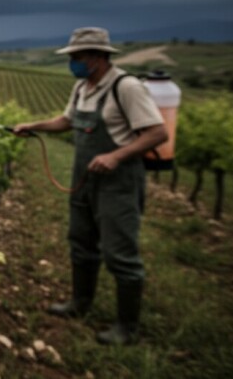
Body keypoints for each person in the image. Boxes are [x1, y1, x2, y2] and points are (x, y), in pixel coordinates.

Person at [13, 27, 168, 345]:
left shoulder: (126, 87)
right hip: (84, 179)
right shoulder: (82, 87)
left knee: (119, 251)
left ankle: (127, 327)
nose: (72, 62)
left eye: (77, 57)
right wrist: (34, 126)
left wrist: (116, 156)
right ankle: (80, 302)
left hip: (118, 183)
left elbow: (157, 133)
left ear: (98, 57)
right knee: (81, 241)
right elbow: (67, 121)